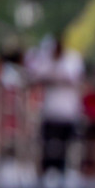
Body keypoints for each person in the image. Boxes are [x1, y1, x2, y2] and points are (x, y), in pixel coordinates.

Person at [30, 37, 83, 180]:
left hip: (67, 113)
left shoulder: (73, 60)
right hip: (50, 112)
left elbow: (73, 78)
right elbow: (37, 76)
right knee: (48, 145)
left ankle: (62, 172)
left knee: (65, 145)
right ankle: (45, 172)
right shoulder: (46, 60)